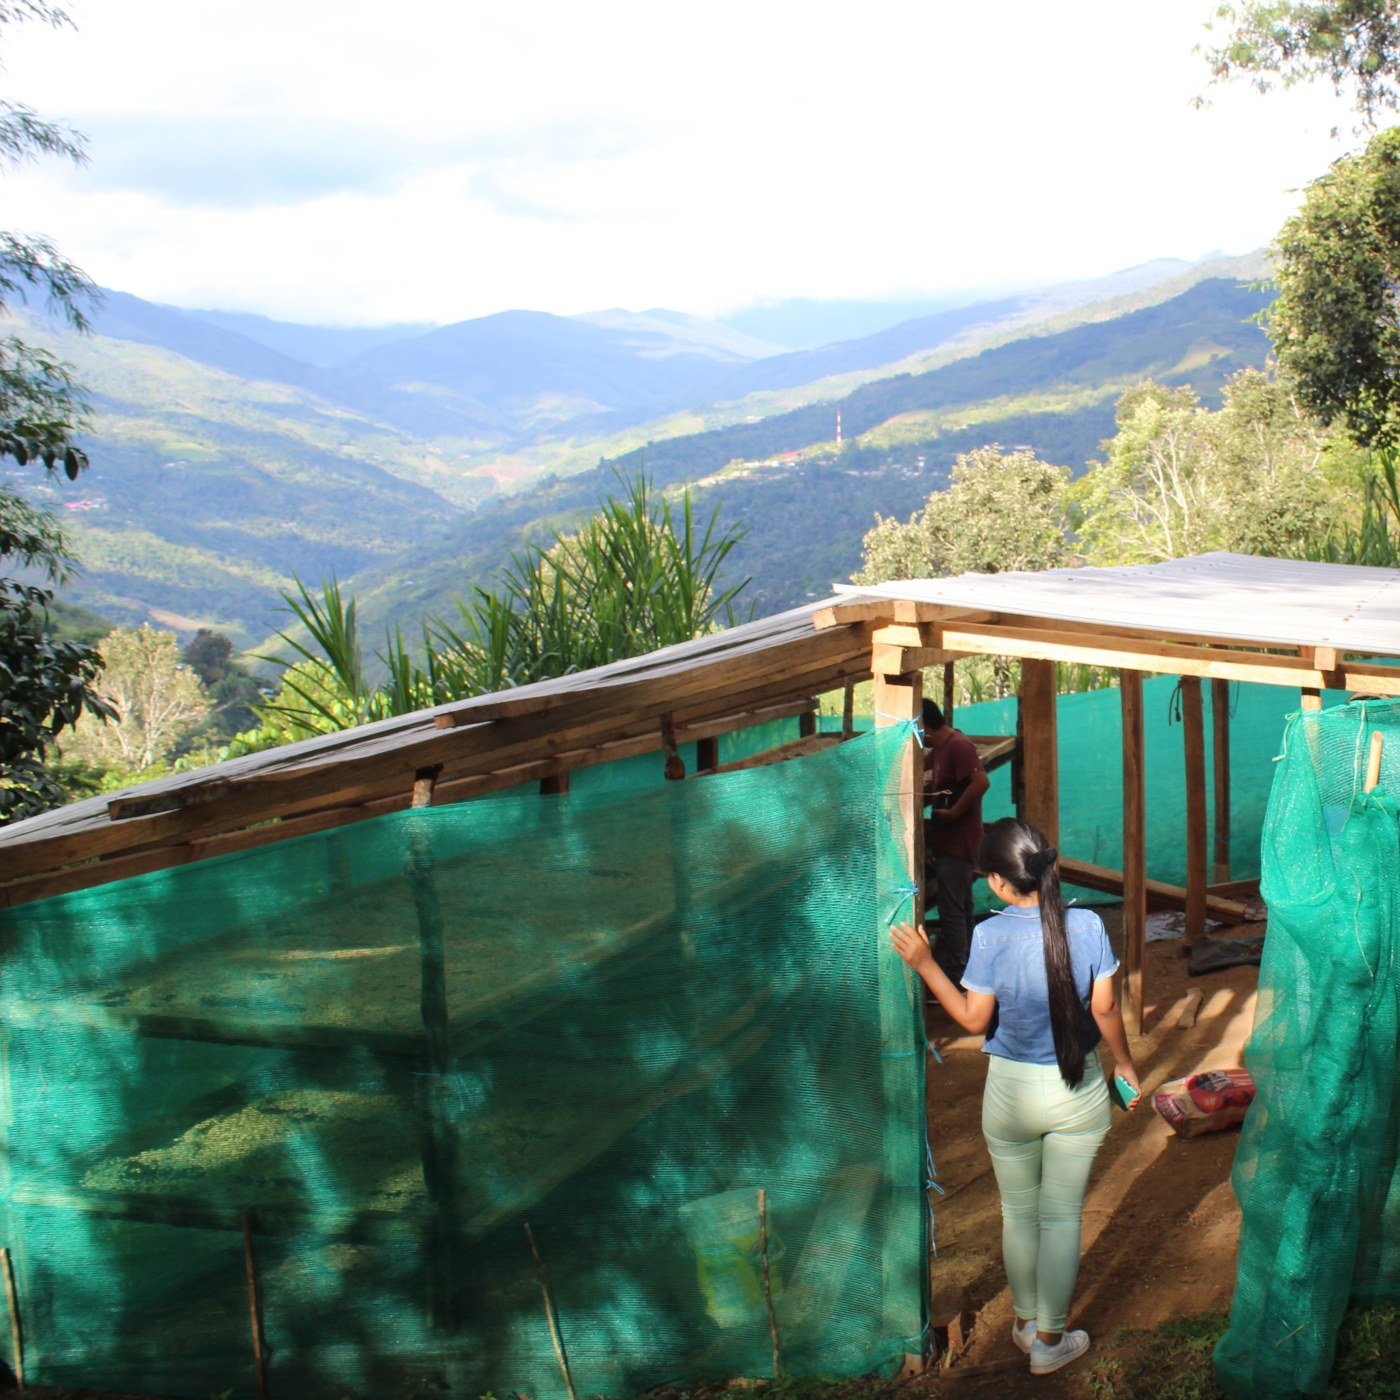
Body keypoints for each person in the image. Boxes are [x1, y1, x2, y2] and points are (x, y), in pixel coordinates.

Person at [891, 817, 1142, 1377]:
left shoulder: (988, 936)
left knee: (1018, 1214)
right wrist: (1125, 1064)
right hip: (1076, 1089)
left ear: (1001, 883)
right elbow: (1104, 1008)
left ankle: (1027, 1323)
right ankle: (1050, 1340)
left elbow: (972, 1020)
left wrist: (925, 964)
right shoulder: (1088, 925)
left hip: (1009, 1094)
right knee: (1061, 1218)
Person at [921, 698, 989, 985]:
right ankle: (973, 968)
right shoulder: (940, 746)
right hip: (948, 840)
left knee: (952, 910)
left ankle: (958, 973)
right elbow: (921, 763)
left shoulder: (958, 746)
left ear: (923, 726)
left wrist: (954, 812)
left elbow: (981, 782)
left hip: (959, 841)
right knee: (961, 907)